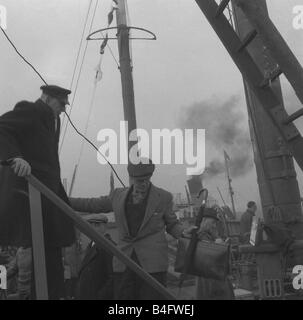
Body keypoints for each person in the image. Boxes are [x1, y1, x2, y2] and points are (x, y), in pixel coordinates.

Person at [70, 158, 193, 300]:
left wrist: (183, 232)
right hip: (124, 263)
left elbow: (172, 224)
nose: (144, 184)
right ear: (131, 179)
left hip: (153, 266)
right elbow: (92, 204)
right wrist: (64, 198)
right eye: (140, 181)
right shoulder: (117, 196)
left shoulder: (163, 197)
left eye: (147, 179)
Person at [0, 85, 76, 299]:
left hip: (47, 193)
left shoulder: (55, 120)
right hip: (28, 193)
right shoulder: (29, 111)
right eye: (61, 104)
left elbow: (49, 158)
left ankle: (52, 294)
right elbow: (2, 127)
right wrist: (15, 156)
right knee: (35, 251)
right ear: (47, 98)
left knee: (52, 247)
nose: (63, 109)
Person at [196, 208, 235, 300]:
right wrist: (219, 246)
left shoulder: (207, 235)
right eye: (212, 222)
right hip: (211, 282)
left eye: (215, 223)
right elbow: (207, 259)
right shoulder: (201, 236)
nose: (214, 226)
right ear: (205, 221)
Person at [75, 214, 114, 300]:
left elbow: (112, 278)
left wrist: (100, 297)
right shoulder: (91, 246)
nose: (91, 229)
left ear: (103, 227)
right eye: (89, 225)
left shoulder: (108, 247)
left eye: (96, 225)